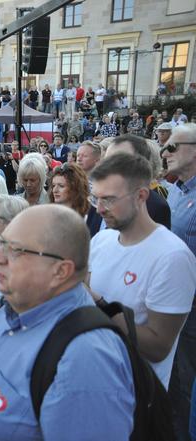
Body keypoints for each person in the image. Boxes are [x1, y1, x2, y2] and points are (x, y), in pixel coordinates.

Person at [0, 204, 136, 440]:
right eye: (0, 243)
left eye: (15, 250)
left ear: (60, 271)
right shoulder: (10, 310)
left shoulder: (85, 357)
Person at [88, 153, 196, 388]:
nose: (100, 209)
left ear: (141, 196)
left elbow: (158, 348)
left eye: (109, 199)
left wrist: (97, 303)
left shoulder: (172, 257)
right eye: (96, 199)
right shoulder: (102, 240)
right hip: (93, 382)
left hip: (136, 397)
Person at [162, 123, 196, 440]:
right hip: (171, 303)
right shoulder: (176, 189)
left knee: (188, 381)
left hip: (192, 307)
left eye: (173, 146)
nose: (165, 151)